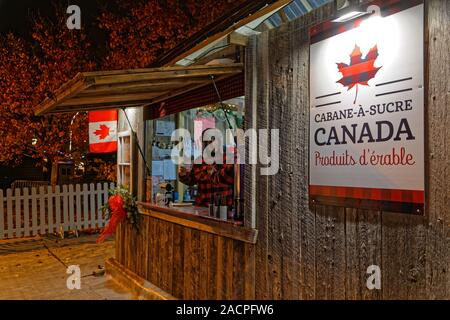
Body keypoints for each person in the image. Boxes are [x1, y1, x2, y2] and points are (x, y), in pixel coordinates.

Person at [178, 129, 234, 207]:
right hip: (202, 206)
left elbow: (231, 179)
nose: (209, 144)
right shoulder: (199, 161)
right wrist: (183, 175)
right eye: (205, 141)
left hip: (224, 208)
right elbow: (191, 181)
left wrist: (213, 174)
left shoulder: (228, 158)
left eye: (212, 141)